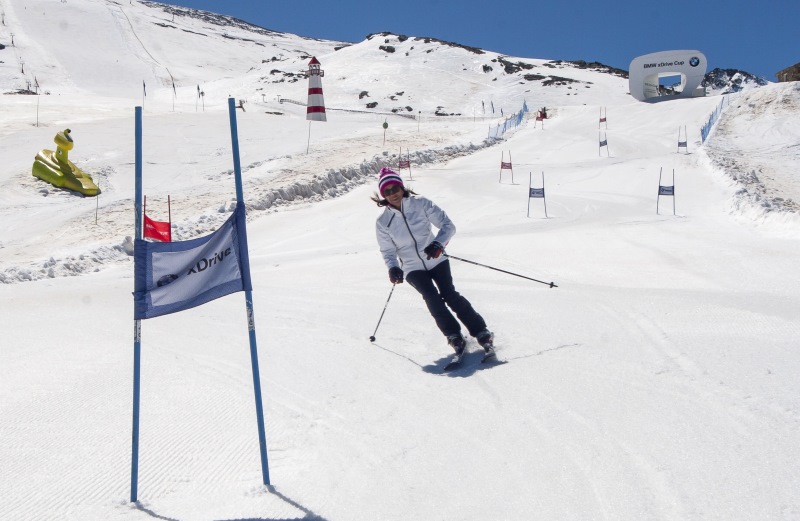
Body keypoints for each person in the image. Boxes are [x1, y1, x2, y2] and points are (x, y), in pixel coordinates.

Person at [372, 166, 495, 366]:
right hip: (412, 268)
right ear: (382, 195)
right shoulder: (383, 222)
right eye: (387, 191)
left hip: (436, 259)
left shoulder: (421, 204)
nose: (393, 194)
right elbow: (387, 251)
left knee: (450, 294)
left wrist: (439, 244)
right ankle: (454, 336)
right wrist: (393, 267)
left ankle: (481, 331)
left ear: (403, 188)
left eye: (395, 188)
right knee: (432, 299)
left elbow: (448, 226)